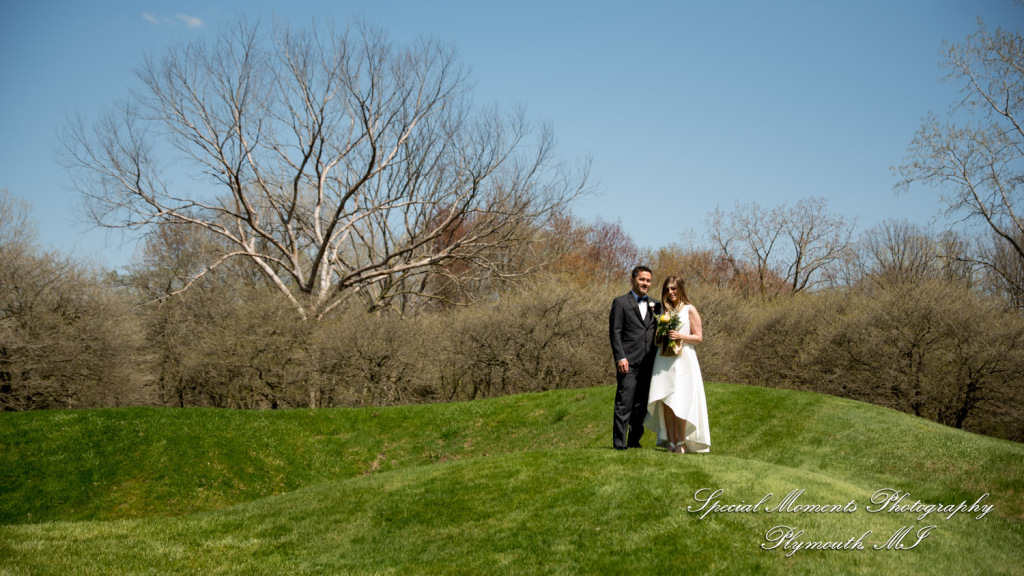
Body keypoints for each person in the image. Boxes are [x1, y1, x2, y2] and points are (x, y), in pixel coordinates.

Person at [645, 276, 710, 454]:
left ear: (681, 289)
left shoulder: (690, 310)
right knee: (665, 400)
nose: (670, 293)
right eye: (667, 290)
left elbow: (699, 337)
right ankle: (671, 441)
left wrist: (680, 336)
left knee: (680, 399)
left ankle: (682, 441)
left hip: (683, 359)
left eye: (674, 289)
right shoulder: (664, 311)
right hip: (664, 358)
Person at [609, 265, 661, 450]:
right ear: (632, 280)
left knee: (641, 406)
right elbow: (615, 332)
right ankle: (619, 444)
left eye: (648, 280)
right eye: (641, 279)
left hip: (649, 363)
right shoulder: (621, 302)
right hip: (628, 363)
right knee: (624, 403)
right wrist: (620, 357)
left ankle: (634, 440)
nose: (645, 283)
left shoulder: (657, 305)